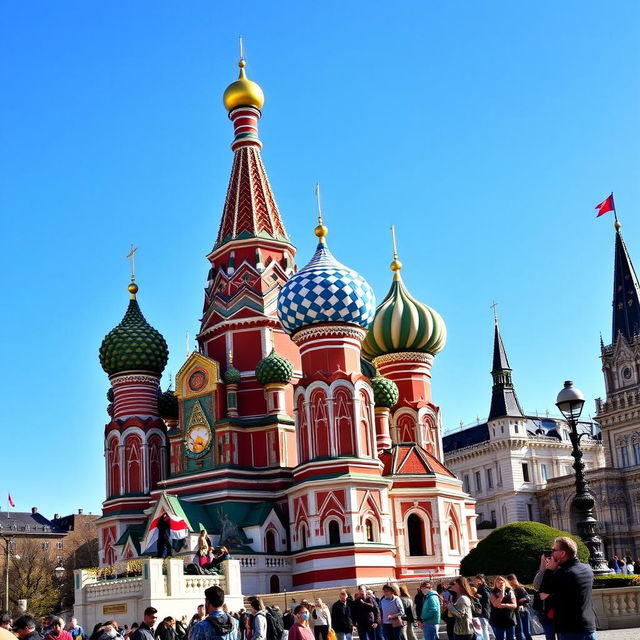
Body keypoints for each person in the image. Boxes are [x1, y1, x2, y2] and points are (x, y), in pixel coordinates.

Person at [538, 536, 597, 640]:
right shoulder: (587, 569)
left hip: (570, 628)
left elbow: (542, 594)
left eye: (554, 550)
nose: (551, 553)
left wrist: (549, 570)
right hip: (589, 626)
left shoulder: (563, 573)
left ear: (562, 553)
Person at [506, 575, 532, 640]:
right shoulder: (508, 590)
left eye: (512, 580)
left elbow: (528, 598)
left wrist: (523, 599)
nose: (511, 582)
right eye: (509, 581)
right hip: (514, 612)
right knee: (518, 631)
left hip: (523, 611)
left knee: (526, 631)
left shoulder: (520, 588)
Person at [473, 575, 491, 640]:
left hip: (484, 610)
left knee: (484, 628)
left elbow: (487, 598)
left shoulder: (483, 587)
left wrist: (479, 596)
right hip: (483, 610)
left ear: (480, 580)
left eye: (476, 580)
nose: (475, 581)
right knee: (485, 628)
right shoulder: (481, 587)